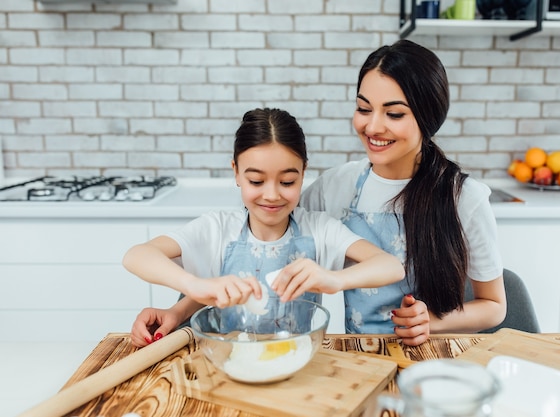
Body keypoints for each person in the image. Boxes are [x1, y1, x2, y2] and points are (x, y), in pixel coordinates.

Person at [123, 107, 405, 348]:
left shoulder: (319, 229)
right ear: (236, 172)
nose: (271, 195)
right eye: (256, 181)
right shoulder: (218, 228)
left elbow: (391, 266)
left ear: (303, 173)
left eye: (287, 182)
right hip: (232, 363)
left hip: (295, 362)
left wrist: (336, 279)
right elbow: (136, 255)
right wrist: (194, 287)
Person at [300, 40, 507, 346]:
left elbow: (494, 307)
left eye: (394, 114)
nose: (372, 126)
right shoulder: (335, 187)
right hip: (360, 358)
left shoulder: (463, 198)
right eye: (363, 108)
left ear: (427, 117)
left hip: (431, 360)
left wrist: (431, 321)